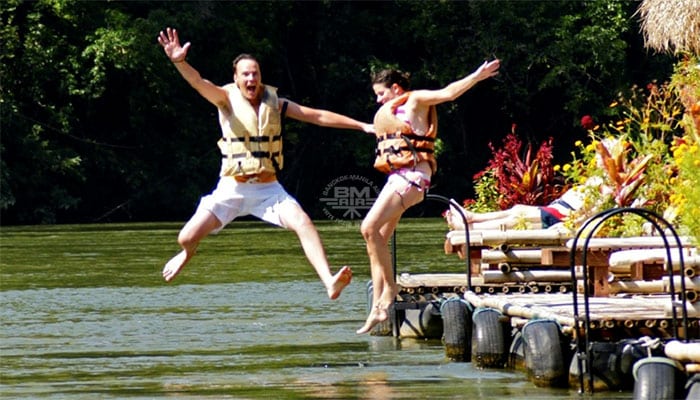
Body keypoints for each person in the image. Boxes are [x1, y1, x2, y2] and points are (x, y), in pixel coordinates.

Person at [157, 27, 374, 300]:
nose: (251, 78)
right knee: (186, 238)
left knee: (303, 222)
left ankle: (329, 281)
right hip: (231, 189)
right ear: (236, 79)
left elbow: (317, 116)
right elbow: (198, 82)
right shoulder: (224, 99)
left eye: (255, 73)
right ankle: (187, 254)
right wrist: (179, 61)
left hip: (268, 190)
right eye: (245, 74)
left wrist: (363, 126)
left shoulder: (276, 103)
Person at [356, 60, 501, 334]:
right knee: (377, 240)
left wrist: (476, 75)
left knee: (368, 228)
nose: (378, 100)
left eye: (381, 94)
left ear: (395, 88)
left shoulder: (415, 100)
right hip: (397, 178)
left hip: (411, 178)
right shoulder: (392, 111)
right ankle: (378, 306)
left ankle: (390, 290)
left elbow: (448, 93)